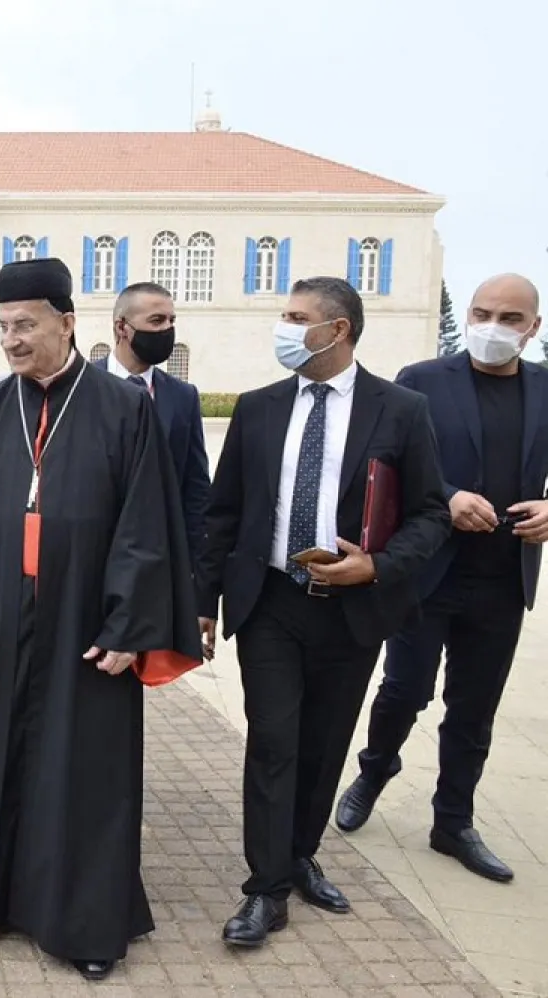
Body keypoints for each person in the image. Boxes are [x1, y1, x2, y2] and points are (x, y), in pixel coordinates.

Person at [0, 258, 202, 982]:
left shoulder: (125, 408)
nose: (12, 340)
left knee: (83, 772)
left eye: (26, 325)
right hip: (4, 626)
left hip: (85, 625)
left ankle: (83, 921)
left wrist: (128, 623)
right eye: (4, 326)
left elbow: (146, 528)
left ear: (67, 324)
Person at [197, 276, 451, 948]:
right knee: (275, 741)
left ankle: (300, 853)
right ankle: (266, 890)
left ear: (336, 330)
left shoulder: (400, 410)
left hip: (352, 608)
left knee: (325, 741)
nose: (282, 327)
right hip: (272, 601)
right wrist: (202, 603)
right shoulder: (258, 407)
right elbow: (223, 513)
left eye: (294, 316)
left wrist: (379, 564)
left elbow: (431, 512)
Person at [336, 274, 547, 882]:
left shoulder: (544, 389)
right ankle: (374, 771)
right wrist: (448, 497)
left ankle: (453, 821)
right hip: (428, 574)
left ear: (533, 328)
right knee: (405, 691)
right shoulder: (423, 382)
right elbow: (386, 467)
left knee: (474, 707)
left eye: (510, 319)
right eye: (481, 313)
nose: (491, 327)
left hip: (504, 579)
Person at [91, 281, 210, 560]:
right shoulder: (82, 386)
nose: (166, 330)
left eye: (171, 321)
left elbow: (196, 487)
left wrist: (194, 565)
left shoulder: (183, 396)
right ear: (122, 327)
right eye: (156, 321)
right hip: (94, 553)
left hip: (159, 556)